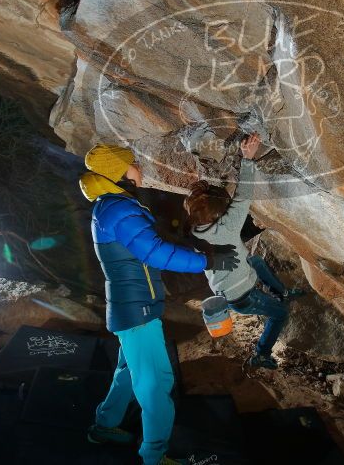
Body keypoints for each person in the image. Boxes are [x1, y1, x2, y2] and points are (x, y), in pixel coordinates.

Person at [80, 144, 239, 465]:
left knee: (127, 373)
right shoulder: (119, 210)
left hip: (130, 306)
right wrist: (209, 260)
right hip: (136, 310)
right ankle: (155, 456)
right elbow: (154, 252)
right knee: (156, 385)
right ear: (121, 173)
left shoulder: (109, 206)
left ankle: (103, 426)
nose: (139, 167)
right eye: (133, 164)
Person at [183, 134, 302, 370]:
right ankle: (262, 354)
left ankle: (283, 292)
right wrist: (248, 158)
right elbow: (243, 196)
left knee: (256, 261)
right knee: (279, 315)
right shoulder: (226, 228)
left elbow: (196, 202)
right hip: (242, 298)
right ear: (219, 214)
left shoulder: (194, 232)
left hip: (225, 284)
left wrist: (200, 189)